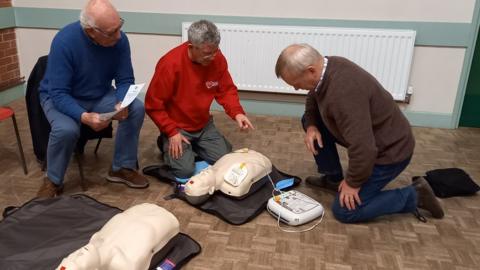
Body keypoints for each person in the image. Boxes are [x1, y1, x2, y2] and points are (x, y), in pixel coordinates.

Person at [275, 43, 444, 223]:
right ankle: (333, 178)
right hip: (372, 141)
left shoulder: (343, 93)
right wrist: (311, 126)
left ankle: (415, 195)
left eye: (296, 83)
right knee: (310, 120)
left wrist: (352, 183)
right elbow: (313, 95)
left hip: (390, 153)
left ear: (310, 71)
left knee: (345, 211)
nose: (295, 89)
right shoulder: (327, 66)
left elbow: (364, 148)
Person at [37, 0, 148, 198]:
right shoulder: (64, 41)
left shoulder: (120, 41)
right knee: (66, 130)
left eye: (119, 27)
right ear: (90, 31)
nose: (118, 35)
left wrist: (122, 101)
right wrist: (84, 117)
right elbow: (59, 93)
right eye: (111, 32)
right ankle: (53, 180)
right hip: (61, 97)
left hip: (98, 94)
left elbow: (125, 79)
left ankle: (121, 167)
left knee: (136, 109)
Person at [145, 20, 254, 179]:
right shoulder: (170, 64)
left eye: (215, 51)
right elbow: (153, 105)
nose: (213, 57)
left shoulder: (217, 59)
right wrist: (171, 131)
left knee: (226, 160)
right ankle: (165, 142)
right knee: (184, 171)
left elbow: (226, 89)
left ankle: (193, 147)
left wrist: (237, 113)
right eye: (207, 53)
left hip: (203, 125)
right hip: (178, 127)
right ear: (191, 47)